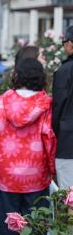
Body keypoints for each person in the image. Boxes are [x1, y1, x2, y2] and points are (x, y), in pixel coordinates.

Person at [0, 45, 49, 235]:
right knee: (34, 209)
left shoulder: (4, 100)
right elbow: (48, 137)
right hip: (35, 168)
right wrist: (50, 166)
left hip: (7, 168)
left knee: (9, 209)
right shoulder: (44, 103)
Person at [52, 25, 73, 190]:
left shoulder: (64, 71)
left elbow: (57, 108)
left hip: (68, 142)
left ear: (70, 44)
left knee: (69, 197)